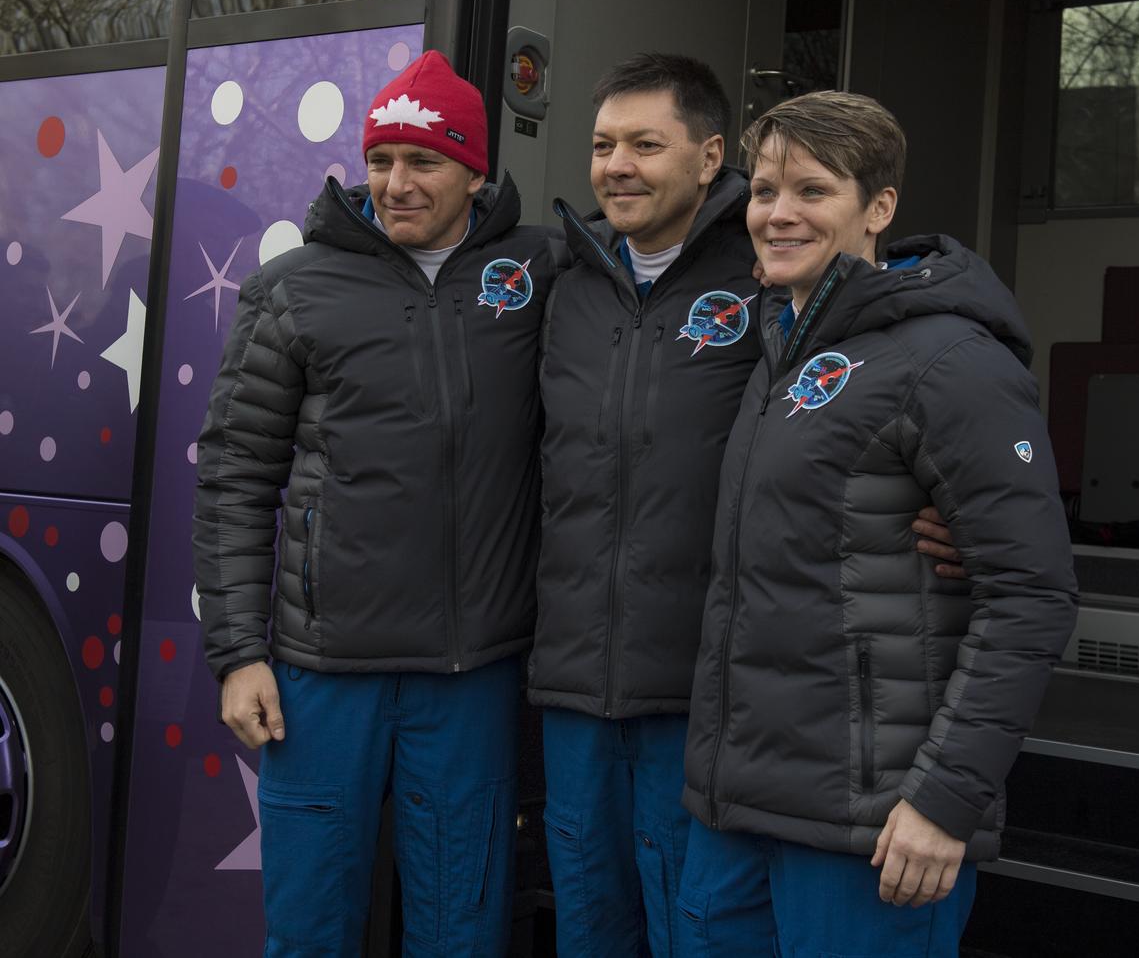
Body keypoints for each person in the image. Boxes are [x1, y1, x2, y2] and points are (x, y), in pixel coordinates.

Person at [531, 55, 964, 957]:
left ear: (708, 157)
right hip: (574, 680)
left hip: (709, 694)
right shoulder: (557, 281)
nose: (618, 165)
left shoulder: (774, 270)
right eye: (604, 144)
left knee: (689, 929)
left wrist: (950, 506)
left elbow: (898, 370)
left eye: (647, 144)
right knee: (588, 925)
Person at [676, 91, 1079, 957]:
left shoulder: (950, 361)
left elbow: (1031, 595)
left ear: (879, 208)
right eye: (766, 190)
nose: (779, 213)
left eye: (813, 191)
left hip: (875, 830)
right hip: (738, 811)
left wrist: (944, 800)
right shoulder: (780, 347)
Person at [192, 50, 565, 956]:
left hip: (471, 678)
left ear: (475, 171)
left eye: (423, 162)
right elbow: (236, 474)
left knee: (461, 933)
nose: (395, 184)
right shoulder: (293, 288)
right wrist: (239, 651)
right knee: (311, 930)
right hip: (323, 677)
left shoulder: (540, 276)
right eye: (380, 161)